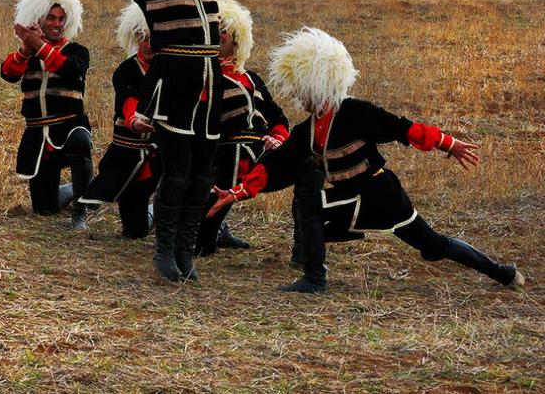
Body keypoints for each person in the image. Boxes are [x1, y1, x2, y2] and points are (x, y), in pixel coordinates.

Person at [207, 27, 525, 292]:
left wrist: (449, 143)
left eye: (299, 89)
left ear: (316, 82)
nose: (297, 97)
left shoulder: (355, 112)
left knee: (432, 246)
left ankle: (315, 279)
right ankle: (503, 273)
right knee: (430, 244)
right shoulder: (310, 128)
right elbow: (276, 165)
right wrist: (235, 192)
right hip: (358, 197)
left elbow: (404, 129)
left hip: (379, 196)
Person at [35, 0, 239, 282]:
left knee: (201, 175)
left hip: (210, 84)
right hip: (175, 83)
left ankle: (185, 250)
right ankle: (164, 251)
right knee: (177, 173)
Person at [194, 0, 289, 255]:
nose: (220, 35)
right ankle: (204, 237)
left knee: (308, 168)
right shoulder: (206, 74)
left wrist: (277, 139)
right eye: (217, 30)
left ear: (237, 37)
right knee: (235, 157)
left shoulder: (253, 79)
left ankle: (306, 252)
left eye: (225, 30)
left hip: (261, 150)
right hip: (222, 149)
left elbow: (279, 119)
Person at [1, 0, 93, 229]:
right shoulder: (27, 51)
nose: (56, 24)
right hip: (37, 134)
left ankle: (81, 211)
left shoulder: (77, 51)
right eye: (51, 18)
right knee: (44, 208)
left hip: (69, 126)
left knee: (80, 139)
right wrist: (26, 48)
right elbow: (7, 74)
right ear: (39, 19)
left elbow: (70, 69)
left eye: (61, 18)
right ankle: (78, 188)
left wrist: (38, 45)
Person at [78, 1, 158, 238]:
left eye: (153, 37)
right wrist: (132, 119)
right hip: (128, 152)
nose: (149, 43)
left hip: (159, 151)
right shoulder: (125, 70)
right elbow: (128, 97)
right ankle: (152, 215)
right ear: (136, 37)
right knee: (135, 231)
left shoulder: (170, 69)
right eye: (143, 37)